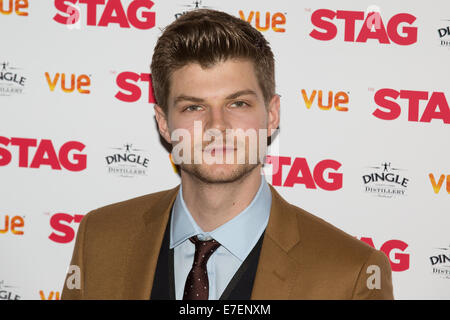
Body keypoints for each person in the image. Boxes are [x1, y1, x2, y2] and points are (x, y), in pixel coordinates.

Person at [61, 9, 393, 300]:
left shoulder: (350, 274)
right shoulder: (100, 239)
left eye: (238, 104)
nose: (216, 126)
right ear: (164, 123)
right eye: (193, 107)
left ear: (272, 114)